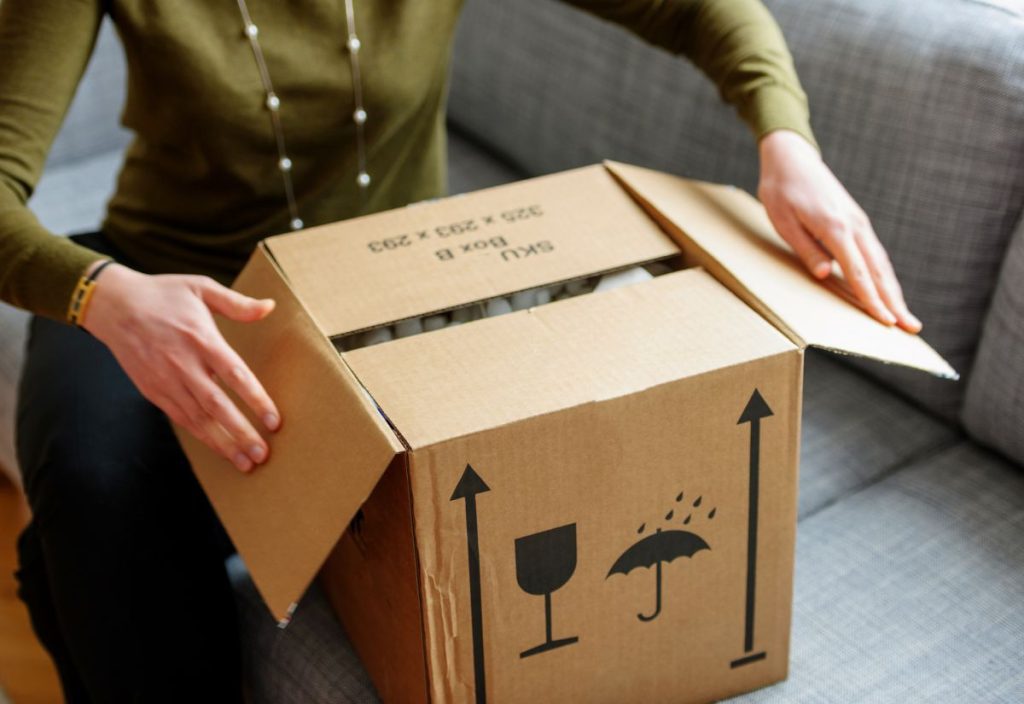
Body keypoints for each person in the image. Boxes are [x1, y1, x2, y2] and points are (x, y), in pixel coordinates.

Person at [0, 0, 921, 701]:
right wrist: (101, 293)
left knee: (98, 558)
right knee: (94, 489)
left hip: (385, 299)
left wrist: (785, 138)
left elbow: (693, 8)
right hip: (163, 287)